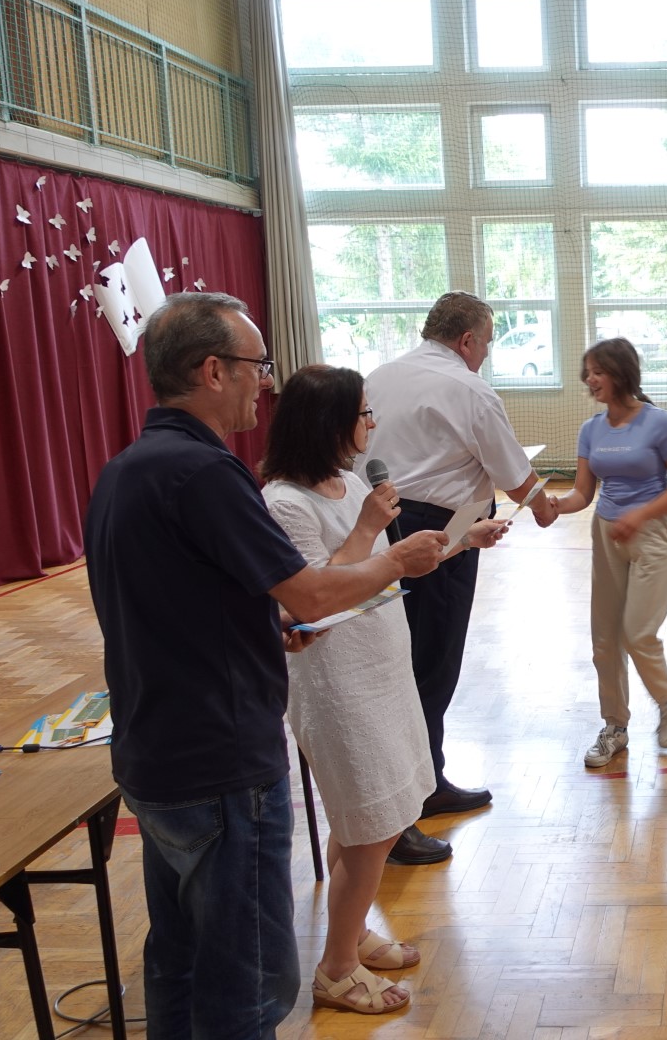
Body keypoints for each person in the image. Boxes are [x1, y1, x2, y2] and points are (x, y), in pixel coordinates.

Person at [85, 293, 450, 1038]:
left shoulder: (127, 468)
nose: (265, 381)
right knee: (248, 980)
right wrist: (396, 561)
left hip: (156, 748)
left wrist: (264, 626)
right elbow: (311, 590)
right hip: (218, 758)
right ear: (212, 370)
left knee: (181, 963)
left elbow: (186, 602)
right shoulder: (205, 473)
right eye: (257, 365)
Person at [261, 365, 507, 1014]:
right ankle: (337, 970)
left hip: (381, 665)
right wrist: (370, 527)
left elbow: (387, 571)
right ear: (329, 422)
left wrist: (461, 542)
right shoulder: (283, 503)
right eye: (363, 413)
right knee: (371, 825)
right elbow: (312, 598)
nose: (373, 424)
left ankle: (353, 933)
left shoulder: (347, 483)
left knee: (366, 818)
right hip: (335, 681)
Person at [364, 292, 557, 858]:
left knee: (404, 658)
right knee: (430, 664)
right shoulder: (470, 388)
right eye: (487, 343)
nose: (487, 354)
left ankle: (427, 780)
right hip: (436, 533)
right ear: (467, 339)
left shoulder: (380, 375)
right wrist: (546, 508)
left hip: (379, 521)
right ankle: (406, 806)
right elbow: (514, 473)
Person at [553, 337, 667, 768]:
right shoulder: (590, 429)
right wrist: (554, 506)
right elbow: (582, 493)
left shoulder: (659, 422)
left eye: (598, 371)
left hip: (654, 535)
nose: (590, 379)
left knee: (637, 633)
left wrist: (640, 515)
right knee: (604, 640)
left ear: (621, 373)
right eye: (588, 372)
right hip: (606, 533)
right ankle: (614, 726)